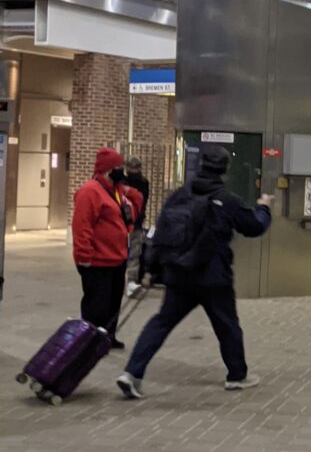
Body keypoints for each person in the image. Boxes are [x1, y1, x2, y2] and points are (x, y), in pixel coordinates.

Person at [116, 146, 273, 399]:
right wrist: (263, 207)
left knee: (162, 322)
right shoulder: (226, 200)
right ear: (223, 169)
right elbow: (254, 227)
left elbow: (161, 231)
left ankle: (132, 373)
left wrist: (153, 269)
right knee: (227, 325)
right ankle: (237, 375)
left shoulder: (179, 196)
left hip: (179, 274)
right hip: (213, 277)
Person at [71, 147, 145, 348]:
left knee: (113, 304)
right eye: (119, 167)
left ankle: (107, 337)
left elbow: (136, 201)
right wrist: (83, 255)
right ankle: (89, 342)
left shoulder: (117, 192)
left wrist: (127, 190)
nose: (123, 170)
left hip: (117, 258)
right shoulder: (90, 192)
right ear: (108, 169)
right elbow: (81, 227)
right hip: (97, 261)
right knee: (97, 305)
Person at [124, 155, 151, 295]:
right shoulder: (144, 183)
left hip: (124, 223)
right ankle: (131, 282)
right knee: (135, 254)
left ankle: (128, 282)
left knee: (126, 253)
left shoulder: (122, 183)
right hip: (137, 223)